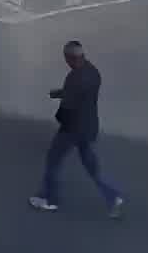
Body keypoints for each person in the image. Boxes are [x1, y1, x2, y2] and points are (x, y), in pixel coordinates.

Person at [30, 40, 124, 217]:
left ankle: (51, 200)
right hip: (89, 128)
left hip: (72, 129)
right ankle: (112, 196)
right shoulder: (93, 72)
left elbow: (68, 106)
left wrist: (59, 119)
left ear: (71, 58)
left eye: (66, 58)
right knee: (92, 167)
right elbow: (79, 94)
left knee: (53, 160)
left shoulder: (74, 78)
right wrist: (58, 93)